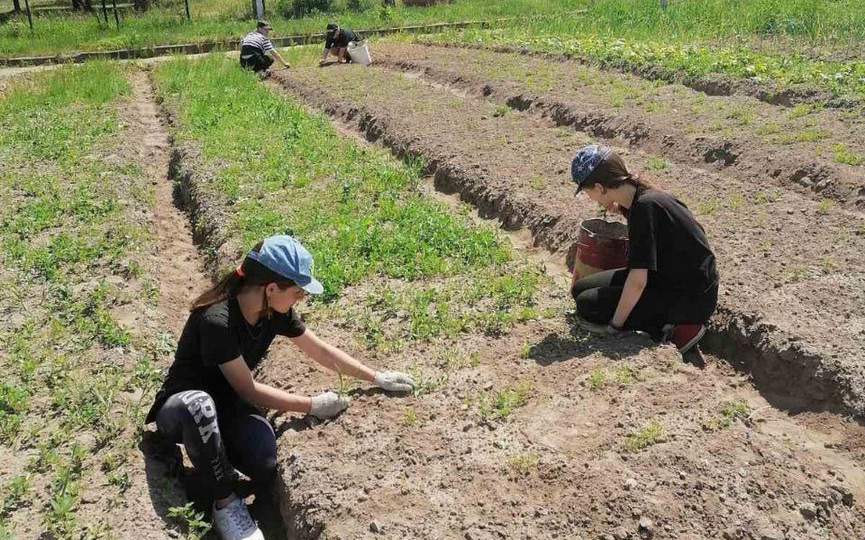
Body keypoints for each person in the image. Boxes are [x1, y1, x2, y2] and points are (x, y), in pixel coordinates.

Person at [145, 235, 414, 540]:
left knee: (264, 461)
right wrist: (311, 404)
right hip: (182, 411)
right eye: (298, 292)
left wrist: (375, 376)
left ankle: (219, 468)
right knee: (199, 404)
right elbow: (248, 390)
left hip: (227, 407)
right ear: (271, 289)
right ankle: (225, 503)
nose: (301, 298)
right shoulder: (217, 321)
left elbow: (320, 351)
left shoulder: (273, 311)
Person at [569, 144, 719, 353]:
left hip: (689, 297)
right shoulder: (640, 197)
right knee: (579, 290)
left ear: (600, 187)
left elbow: (638, 281)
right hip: (670, 277)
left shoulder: (644, 208)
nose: (590, 198)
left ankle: (678, 327)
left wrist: (614, 327)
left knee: (589, 304)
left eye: (588, 193)